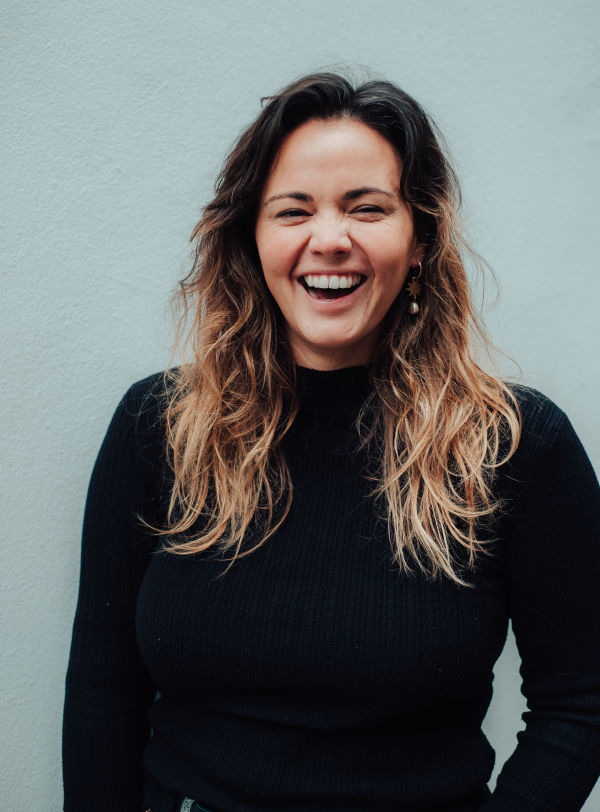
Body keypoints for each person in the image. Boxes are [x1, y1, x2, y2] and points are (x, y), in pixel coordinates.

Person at [63, 72, 600, 812]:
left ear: (419, 242)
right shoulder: (156, 427)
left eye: (367, 208)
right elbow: (103, 690)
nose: (330, 240)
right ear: (252, 240)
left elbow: (582, 702)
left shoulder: (515, 446)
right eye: (293, 210)